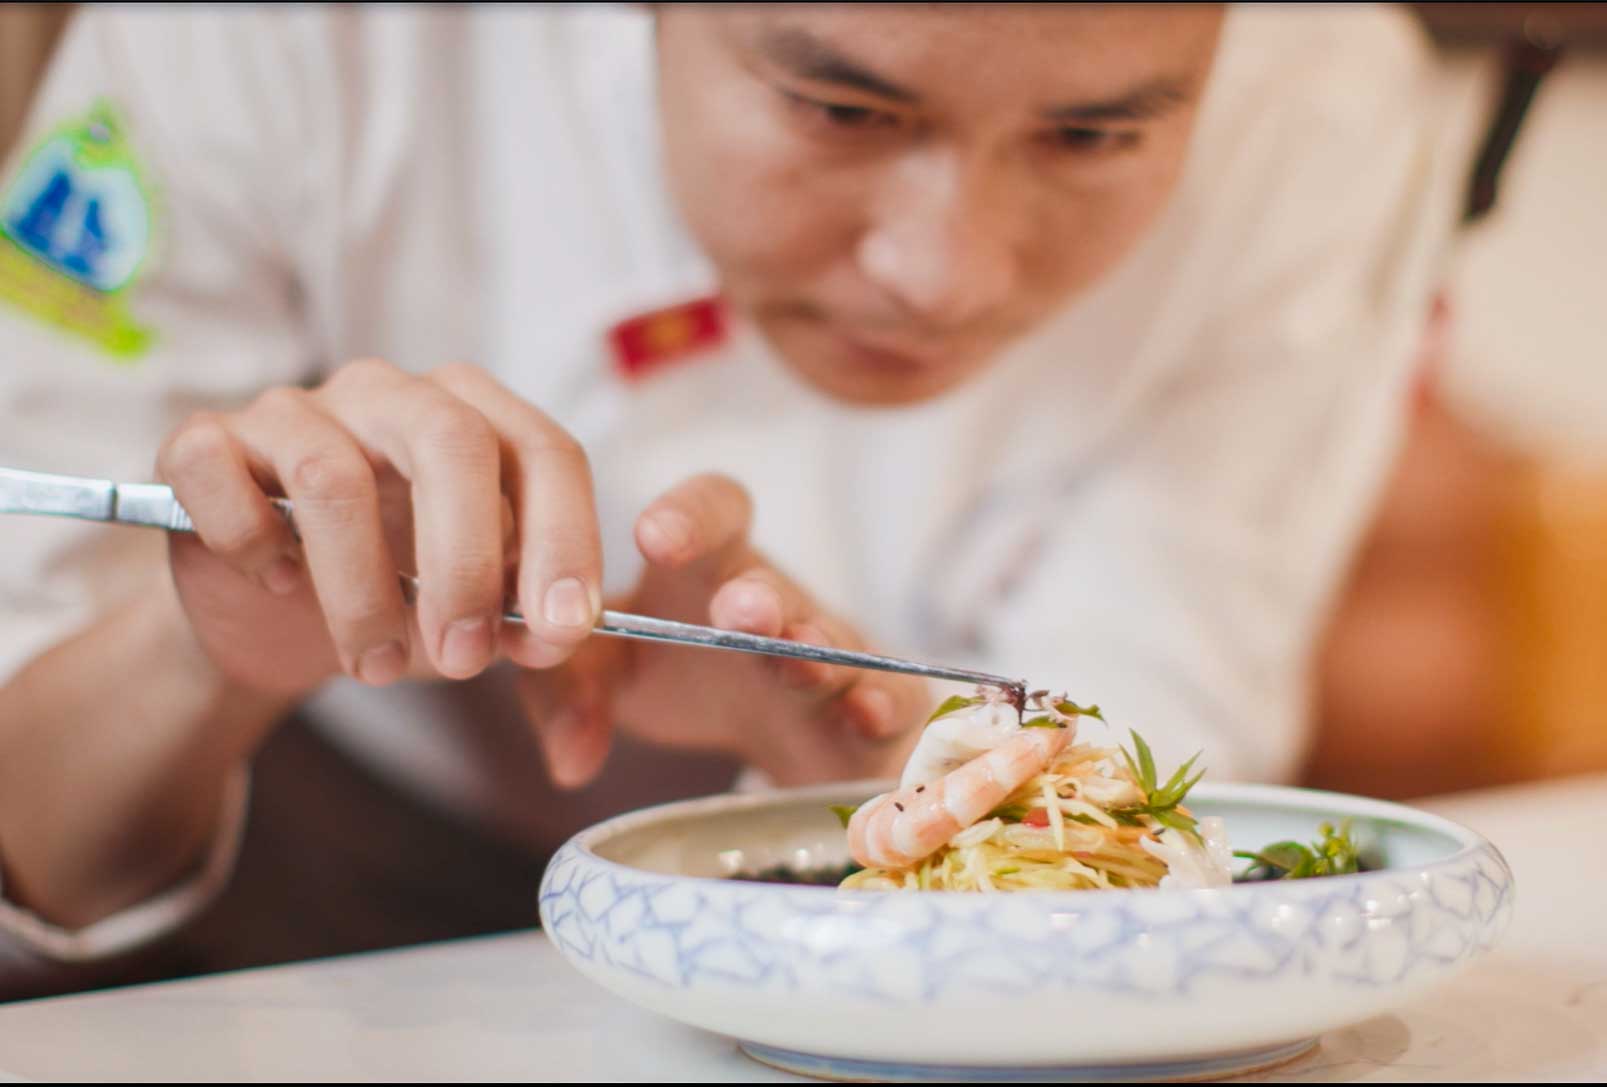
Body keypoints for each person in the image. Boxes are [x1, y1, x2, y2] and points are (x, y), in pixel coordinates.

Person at [0, 4, 1453, 993]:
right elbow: (33, 817)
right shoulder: (274, 36)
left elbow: (1152, 766)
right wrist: (211, 653)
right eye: (840, 105)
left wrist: (880, 756)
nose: (942, 276)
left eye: (1090, 138)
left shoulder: (1320, 93)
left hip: (917, 940)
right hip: (325, 874)